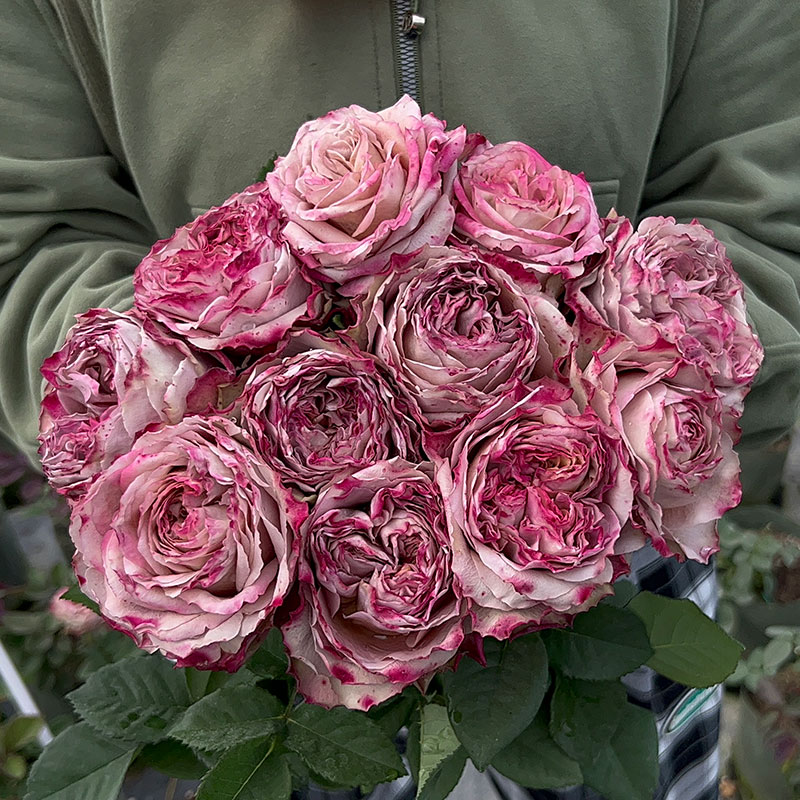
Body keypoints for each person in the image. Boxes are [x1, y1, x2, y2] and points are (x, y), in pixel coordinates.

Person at [2, 2, 799, 798]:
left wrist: (573, 467)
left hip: (611, 545)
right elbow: (27, 241)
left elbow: (769, 218)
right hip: (251, 603)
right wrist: (226, 458)